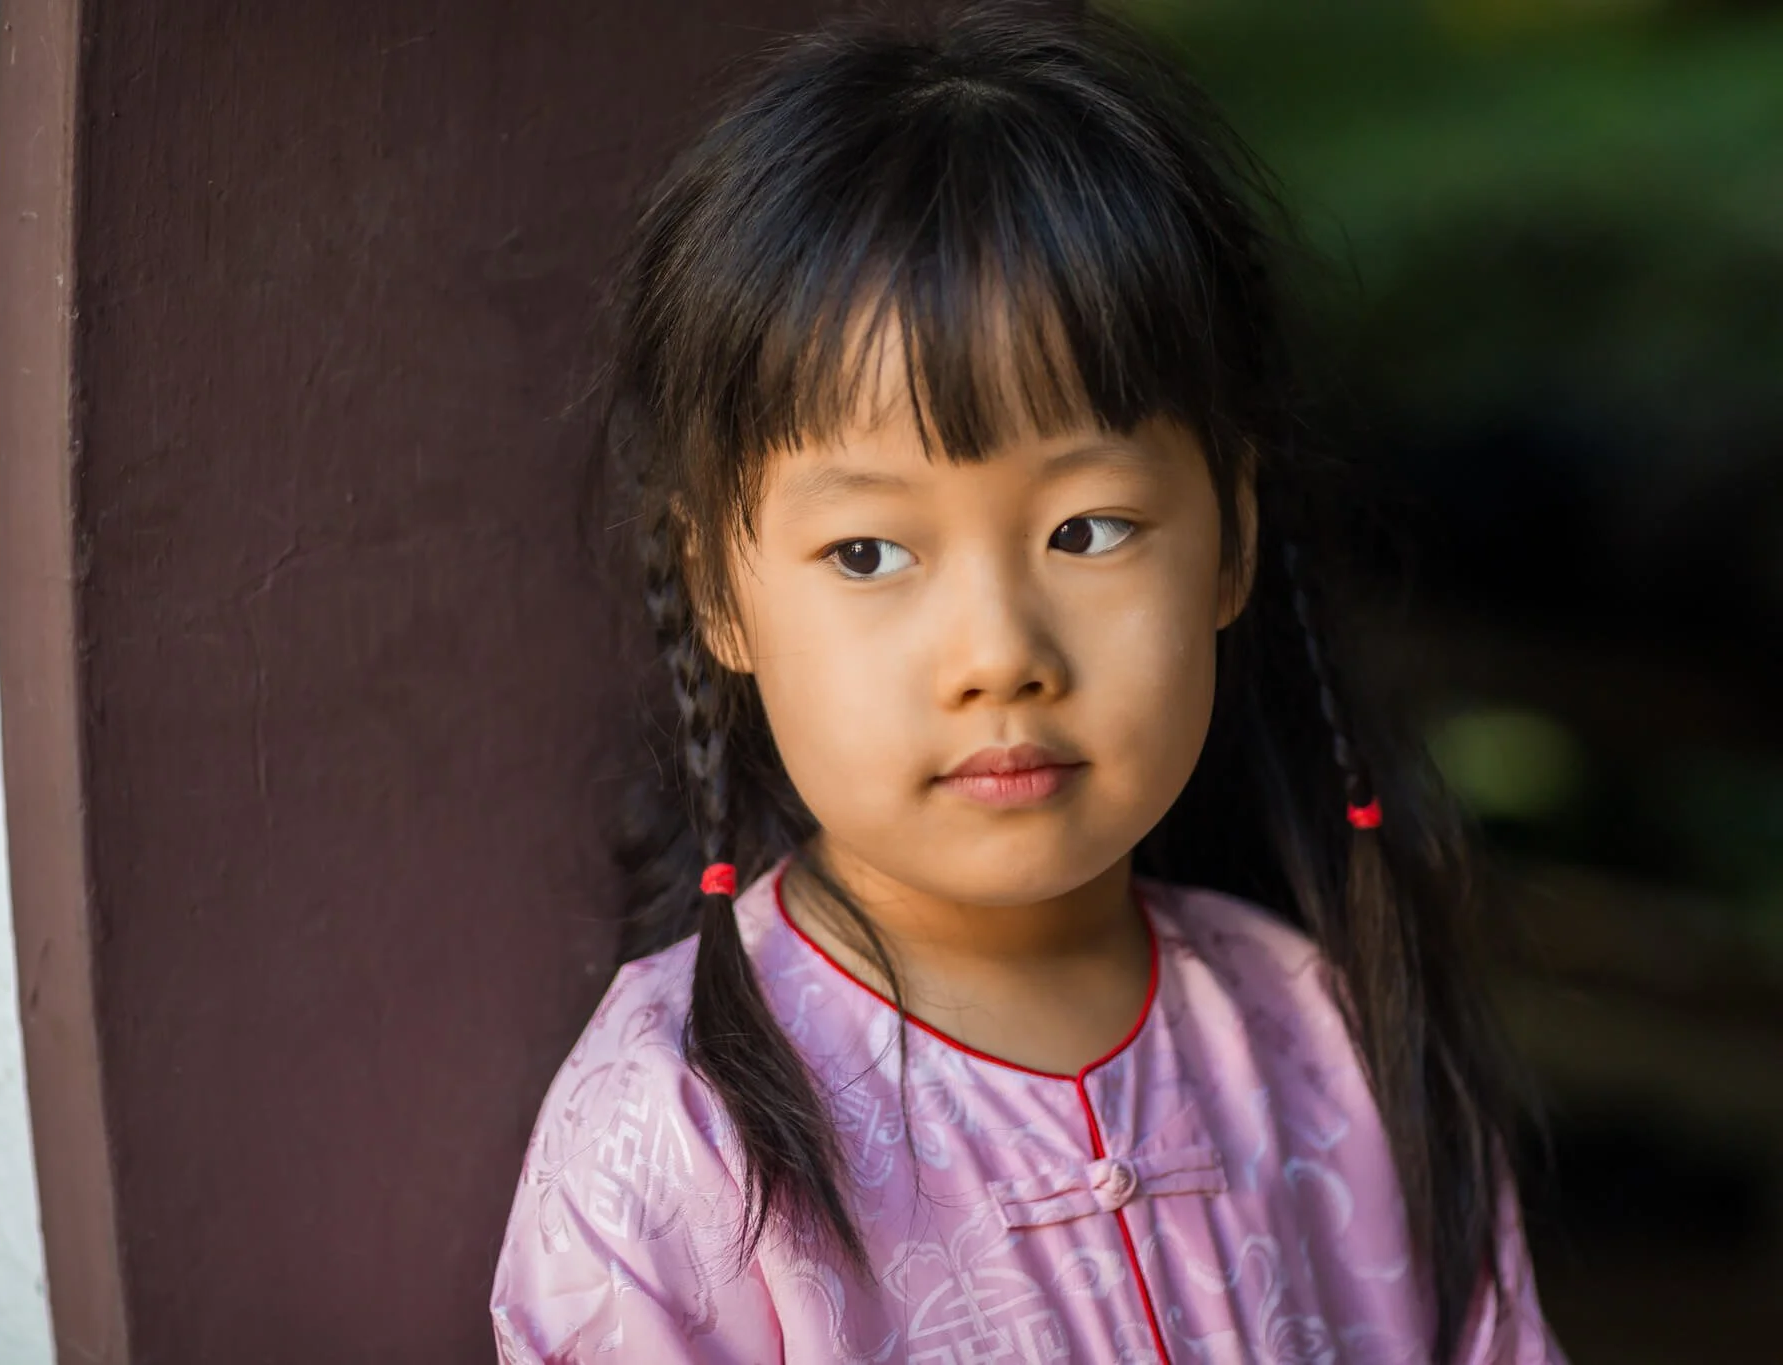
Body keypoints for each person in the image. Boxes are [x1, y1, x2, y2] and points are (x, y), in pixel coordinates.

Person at [491, 3, 1564, 1360]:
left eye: (1088, 530)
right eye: (870, 551)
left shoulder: (1329, 1041)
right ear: (720, 592)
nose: (1000, 651)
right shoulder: (673, 1141)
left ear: (1230, 538)